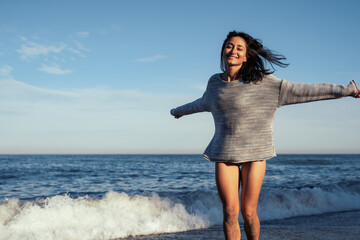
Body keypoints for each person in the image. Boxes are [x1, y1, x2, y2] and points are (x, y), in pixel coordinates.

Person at [170, 31, 360, 240]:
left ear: (246, 56)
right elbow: (202, 102)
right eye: (229, 46)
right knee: (230, 213)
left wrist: (347, 90)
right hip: (224, 153)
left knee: (248, 212)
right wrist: (177, 111)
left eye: (239, 48)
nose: (233, 51)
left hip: (256, 152)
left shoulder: (264, 83)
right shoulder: (214, 82)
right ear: (223, 50)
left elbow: (306, 90)